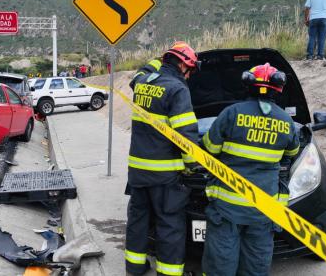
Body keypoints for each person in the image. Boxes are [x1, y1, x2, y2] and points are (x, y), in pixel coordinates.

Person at [200, 63, 300, 276]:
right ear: (278, 88)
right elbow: (291, 155)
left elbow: (209, 148)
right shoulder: (286, 121)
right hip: (263, 209)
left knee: (221, 264)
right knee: (256, 264)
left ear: (249, 85)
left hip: (227, 207)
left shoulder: (232, 113)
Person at [125, 42, 199, 276]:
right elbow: (185, 135)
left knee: (138, 221)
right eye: (190, 69)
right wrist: (192, 166)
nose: (190, 75)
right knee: (169, 225)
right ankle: (168, 273)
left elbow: (140, 72)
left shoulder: (142, 83)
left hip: (137, 171)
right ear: (183, 65)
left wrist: (161, 59)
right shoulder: (177, 89)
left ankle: (134, 268)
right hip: (165, 175)